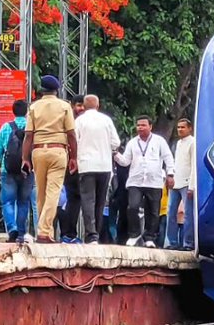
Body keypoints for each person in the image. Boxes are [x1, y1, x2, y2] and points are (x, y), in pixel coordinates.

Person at [21, 75, 78, 245]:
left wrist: (25, 158)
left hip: (38, 151)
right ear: (57, 89)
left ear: (42, 90)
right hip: (58, 150)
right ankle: (44, 231)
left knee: (41, 194)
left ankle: (47, 232)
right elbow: (71, 134)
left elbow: (28, 135)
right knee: (53, 193)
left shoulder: (33, 107)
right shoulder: (64, 106)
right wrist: (74, 157)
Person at [114, 115, 174, 247]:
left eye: (143, 125)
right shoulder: (132, 142)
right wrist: (116, 155)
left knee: (153, 211)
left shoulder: (159, 141)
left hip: (154, 181)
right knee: (132, 207)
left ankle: (149, 237)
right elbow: (125, 162)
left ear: (150, 126)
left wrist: (170, 174)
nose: (140, 128)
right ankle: (134, 234)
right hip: (136, 181)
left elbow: (168, 157)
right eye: (138, 125)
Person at [75, 94, 121, 244]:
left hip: (86, 165)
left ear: (84, 105)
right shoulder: (106, 120)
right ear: (98, 105)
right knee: (101, 201)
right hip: (104, 165)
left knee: (88, 200)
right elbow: (116, 142)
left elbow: (74, 141)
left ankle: (91, 235)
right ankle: (98, 234)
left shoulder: (79, 121)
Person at [0, 98, 35, 243]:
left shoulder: (6, 127)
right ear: (27, 112)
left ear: (13, 111)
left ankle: (12, 228)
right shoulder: (31, 126)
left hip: (8, 169)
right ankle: (21, 234)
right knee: (23, 202)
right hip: (28, 169)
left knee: (7, 201)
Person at [165, 117, 197, 250]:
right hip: (176, 183)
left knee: (188, 215)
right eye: (178, 127)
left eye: (183, 127)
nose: (180, 130)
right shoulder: (178, 143)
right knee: (171, 213)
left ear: (190, 128)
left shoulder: (193, 142)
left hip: (187, 183)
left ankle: (188, 243)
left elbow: (194, 165)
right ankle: (172, 242)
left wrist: (192, 186)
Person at [59, 94, 87, 242]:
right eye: (78, 105)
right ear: (72, 106)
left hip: (83, 164)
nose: (81, 108)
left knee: (75, 199)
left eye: (83, 105)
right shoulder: (68, 122)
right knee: (71, 198)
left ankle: (70, 233)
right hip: (70, 164)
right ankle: (68, 233)